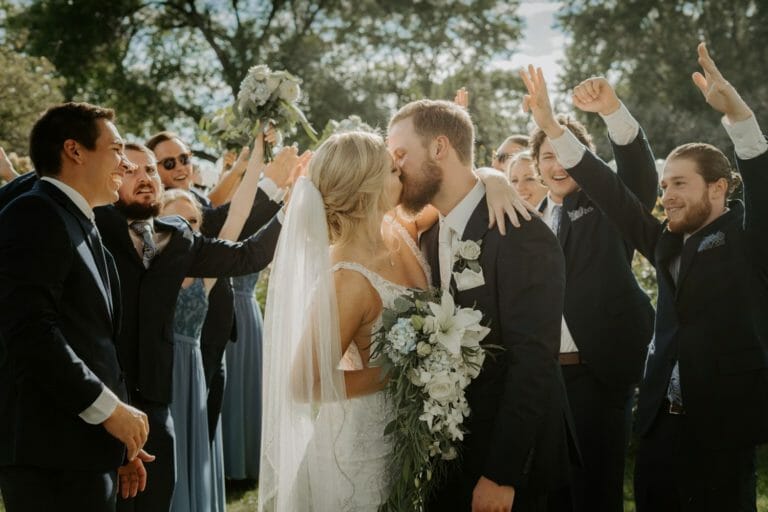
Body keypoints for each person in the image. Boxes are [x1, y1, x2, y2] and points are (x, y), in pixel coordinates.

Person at [521, 43, 768, 511]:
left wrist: (738, 113)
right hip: (658, 428)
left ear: (718, 187)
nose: (666, 195)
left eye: (679, 184)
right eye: (664, 184)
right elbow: (612, 192)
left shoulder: (750, 238)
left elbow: (760, 173)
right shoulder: (665, 243)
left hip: (723, 426)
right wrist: (551, 127)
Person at [388, 99, 575, 511]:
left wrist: (501, 475)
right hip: (454, 454)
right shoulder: (428, 235)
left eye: (401, 154)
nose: (394, 167)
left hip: (511, 467)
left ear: (440, 148)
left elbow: (534, 362)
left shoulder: (521, 234)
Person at [97, 141, 294, 512]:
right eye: (131, 169)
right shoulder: (96, 233)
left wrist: (294, 206)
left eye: (151, 170)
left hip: (162, 401)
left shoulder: (178, 240)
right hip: (108, 400)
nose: (145, 177)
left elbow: (248, 251)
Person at [0, 103, 152, 511]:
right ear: (75, 150)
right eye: (117, 148)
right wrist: (110, 413)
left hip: (86, 454)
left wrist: (116, 446)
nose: (126, 162)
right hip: (50, 460)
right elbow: (31, 332)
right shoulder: (34, 213)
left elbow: (92, 339)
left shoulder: (82, 221)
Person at [526, 80, 658, 511]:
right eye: (548, 156)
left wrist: (613, 110)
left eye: (565, 155)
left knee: (595, 497)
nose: (557, 165)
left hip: (597, 378)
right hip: (542, 382)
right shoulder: (525, 223)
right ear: (536, 166)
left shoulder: (607, 206)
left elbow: (639, 176)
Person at [146, 130, 285, 441]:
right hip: (159, 371)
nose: (181, 167)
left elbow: (235, 217)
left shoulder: (201, 258)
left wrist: (257, 159)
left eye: (185, 158)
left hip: (202, 352)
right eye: (169, 163)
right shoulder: (143, 259)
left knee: (201, 434)